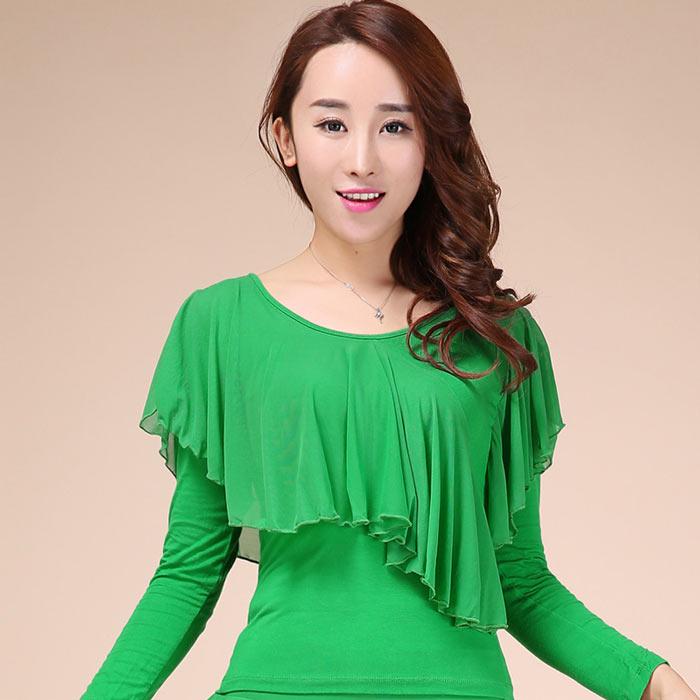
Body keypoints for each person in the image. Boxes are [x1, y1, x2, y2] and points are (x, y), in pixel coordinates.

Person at [79, 2, 696, 699]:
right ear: (285, 137)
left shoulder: (496, 334)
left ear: (431, 140)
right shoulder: (221, 323)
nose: (362, 160)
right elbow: (187, 575)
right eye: (332, 124)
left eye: (395, 126)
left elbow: (520, 580)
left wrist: (647, 678)